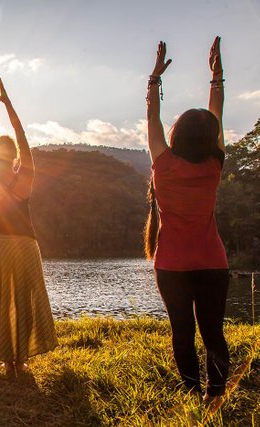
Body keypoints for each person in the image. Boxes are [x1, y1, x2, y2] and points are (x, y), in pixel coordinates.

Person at [145, 37, 229, 403]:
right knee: (213, 332)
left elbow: (152, 118)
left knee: (182, 332)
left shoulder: (163, 165)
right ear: (210, 139)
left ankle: (193, 394)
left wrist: (155, 77)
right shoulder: (214, 166)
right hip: (213, 262)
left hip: (172, 266)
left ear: (177, 135)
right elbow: (218, 115)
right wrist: (216, 75)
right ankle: (217, 394)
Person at [0, 76, 57, 375]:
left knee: (0, 301)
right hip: (24, 244)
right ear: (17, 155)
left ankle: (8, 359)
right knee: (25, 300)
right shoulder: (26, 176)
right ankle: (20, 359)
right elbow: (21, 135)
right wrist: (7, 102)